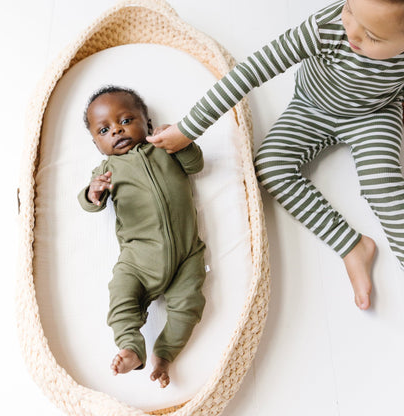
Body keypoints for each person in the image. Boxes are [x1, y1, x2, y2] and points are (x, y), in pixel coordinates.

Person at [147, 0, 404, 311]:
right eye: (349, 9)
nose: (351, 31)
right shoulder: (327, 27)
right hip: (312, 107)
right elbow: (251, 70)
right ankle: (351, 246)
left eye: (373, 36)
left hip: (374, 116)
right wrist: (188, 128)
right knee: (269, 166)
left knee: (385, 192)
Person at [78, 86, 206, 388]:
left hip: (186, 254)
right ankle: (131, 346)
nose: (117, 131)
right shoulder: (107, 170)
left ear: (147, 123)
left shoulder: (164, 148)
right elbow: (88, 203)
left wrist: (181, 142)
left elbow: (195, 164)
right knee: (121, 295)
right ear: (97, 144)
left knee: (188, 306)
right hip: (137, 260)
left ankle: (164, 354)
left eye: (126, 120)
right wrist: (92, 191)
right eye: (104, 130)